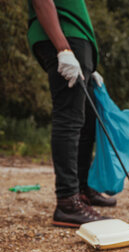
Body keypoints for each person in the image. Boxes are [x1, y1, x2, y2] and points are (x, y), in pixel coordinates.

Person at [27, 0, 116, 228]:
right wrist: (63, 48)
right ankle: (68, 201)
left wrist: (91, 66)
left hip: (77, 41)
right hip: (64, 37)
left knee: (86, 120)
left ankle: (82, 189)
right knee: (70, 118)